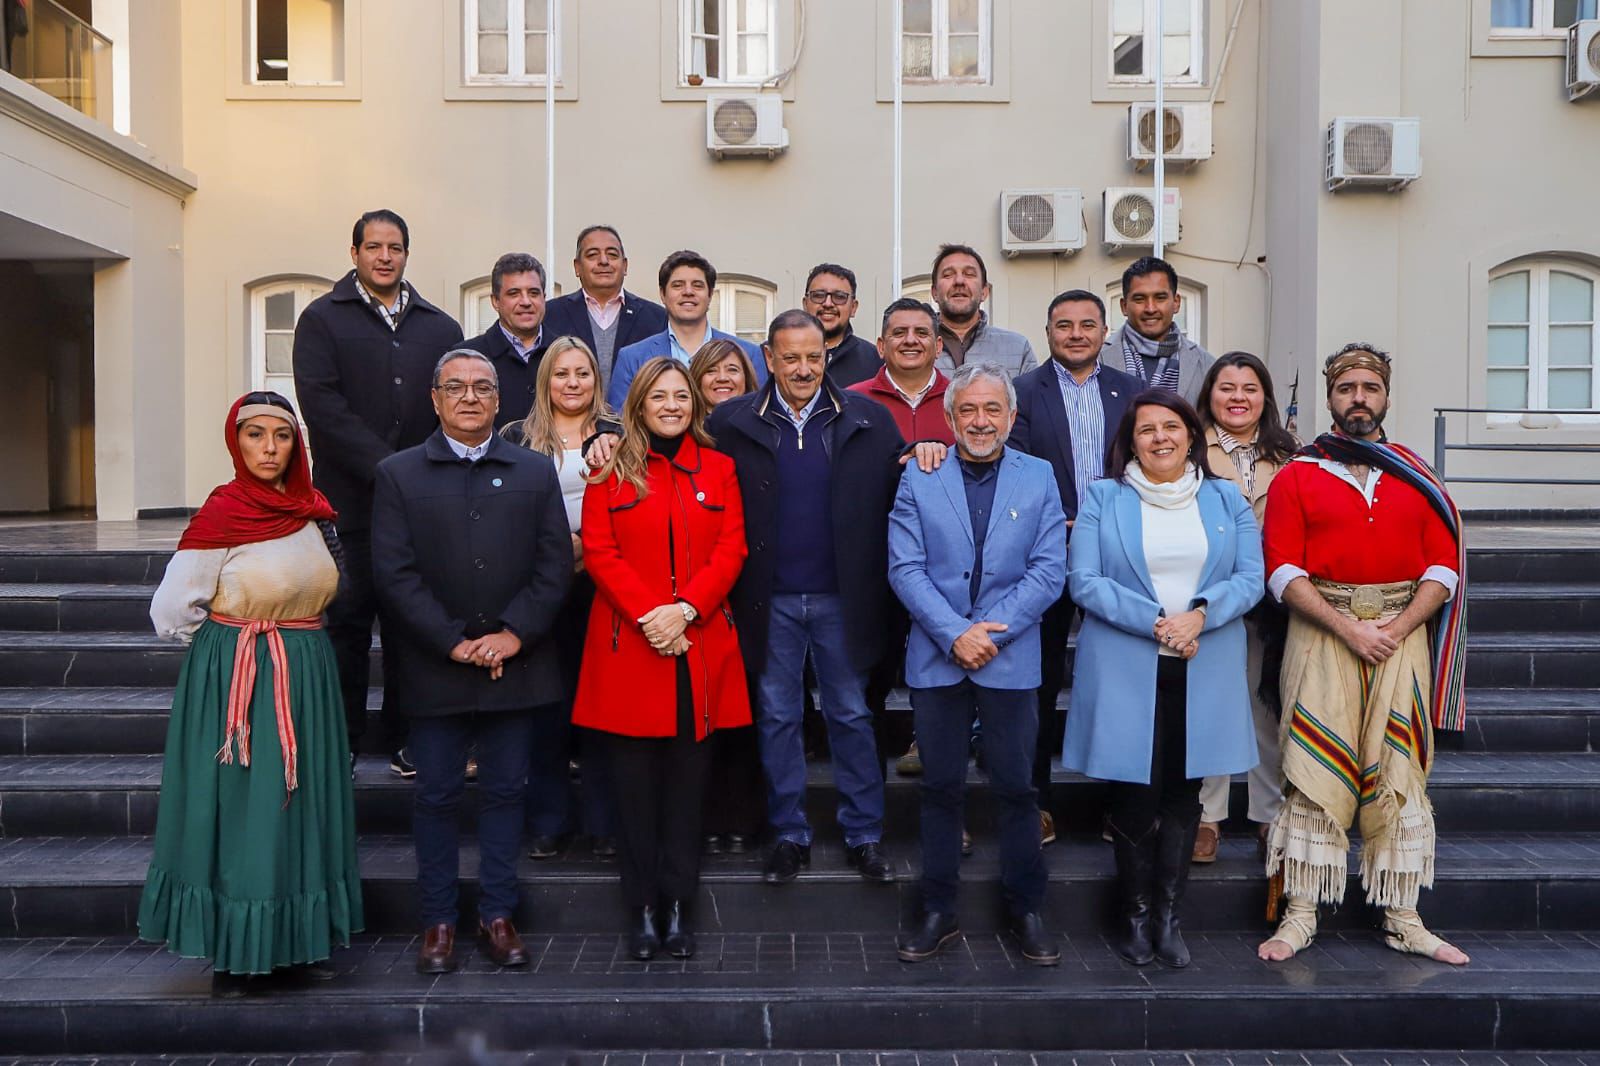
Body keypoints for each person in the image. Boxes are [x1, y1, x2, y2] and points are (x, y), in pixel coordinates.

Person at [141, 392, 363, 996]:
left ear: (297, 444)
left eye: (282, 436)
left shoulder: (314, 511)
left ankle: (288, 942)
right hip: (241, 676)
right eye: (255, 434)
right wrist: (231, 651)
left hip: (306, 672)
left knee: (297, 805)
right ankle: (237, 954)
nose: (269, 448)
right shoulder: (224, 511)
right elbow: (171, 611)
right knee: (244, 809)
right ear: (235, 442)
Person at [1258, 343, 1470, 967]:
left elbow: (1443, 566)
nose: (1358, 398)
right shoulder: (1298, 473)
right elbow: (1282, 571)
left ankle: (1403, 918)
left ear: (1384, 396)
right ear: (1330, 398)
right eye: (1346, 387)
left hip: (1403, 633)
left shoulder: (1413, 473)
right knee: (1310, 766)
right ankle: (1300, 913)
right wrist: (1350, 630)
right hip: (1321, 628)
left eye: (1369, 388)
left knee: (1399, 773)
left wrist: (1397, 627)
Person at [371, 349, 573, 975]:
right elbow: (393, 573)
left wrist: (515, 633)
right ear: (434, 399)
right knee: (434, 796)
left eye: (481, 387)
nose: (468, 397)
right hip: (436, 668)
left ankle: (498, 915)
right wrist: (452, 641)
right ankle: (437, 920)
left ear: (498, 399)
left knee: (507, 792)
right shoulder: (399, 474)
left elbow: (553, 566)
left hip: (518, 665)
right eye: (454, 387)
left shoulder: (534, 471)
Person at [1063, 391, 1263, 969]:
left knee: (1184, 796)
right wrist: (1156, 625)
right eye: (1146, 429)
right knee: (1133, 794)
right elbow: (1085, 580)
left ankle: (1168, 919)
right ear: (1131, 440)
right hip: (1130, 664)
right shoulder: (1105, 496)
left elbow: (1251, 578)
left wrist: (1199, 614)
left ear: (1191, 435)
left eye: (1171, 426)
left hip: (1204, 662)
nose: (1160, 438)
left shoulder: (1226, 499)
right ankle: (1133, 914)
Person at [707, 310, 907, 885]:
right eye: (789, 357)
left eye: (813, 357)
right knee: (776, 716)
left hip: (844, 598)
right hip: (765, 598)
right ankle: (789, 834)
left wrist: (927, 454)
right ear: (768, 359)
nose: (802, 368)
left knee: (850, 712)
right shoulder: (731, 421)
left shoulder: (869, 419)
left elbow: (901, 499)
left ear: (828, 357)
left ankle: (865, 834)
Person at [888, 363, 1067, 965]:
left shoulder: (1040, 476)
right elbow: (904, 568)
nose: (981, 421)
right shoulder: (919, 476)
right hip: (939, 660)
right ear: (950, 416)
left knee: (1017, 789)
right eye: (968, 410)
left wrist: (993, 632)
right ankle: (938, 910)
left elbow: (1049, 570)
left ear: (1011, 418)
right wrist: (953, 633)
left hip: (1010, 659)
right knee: (940, 789)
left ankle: (1025, 908)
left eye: (993, 410)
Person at [573, 357, 751, 960]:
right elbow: (599, 552)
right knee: (634, 793)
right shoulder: (608, 472)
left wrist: (687, 611)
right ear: (639, 404)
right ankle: (642, 907)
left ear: (694, 403)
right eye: (659, 396)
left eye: (681, 395)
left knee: (686, 790)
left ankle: (679, 905)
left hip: (698, 648)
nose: (671, 405)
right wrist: (655, 615)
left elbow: (732, 549)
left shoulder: (720, 468)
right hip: (632, 649)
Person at [293, 208, 464, 778]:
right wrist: (392, 468)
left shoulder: (440, 329)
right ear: (355, 254)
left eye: (394, 247)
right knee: (345, 622)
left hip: (421, 509)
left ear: (406, 255)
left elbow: (454, 409)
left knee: (408, 625)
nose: (384, 256)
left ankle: (403, 737)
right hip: (348, 505)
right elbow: (321, 407)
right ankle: (342, 736)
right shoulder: (321, 320)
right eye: (373, 247)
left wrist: (423, 478)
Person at [1010, 290, 1141, 845]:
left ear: (1104, 331)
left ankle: (1119, 807)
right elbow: (1010, 469)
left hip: (1117, 555)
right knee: (1036, 684)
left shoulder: (1133, 394)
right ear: (1048, 332)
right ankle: (1036, 802)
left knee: (1120, 680)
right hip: (1044, 554)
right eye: (1064, 325)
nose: (1076, 334)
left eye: (1088, 324)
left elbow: (1148, 466)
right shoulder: (1021, 394)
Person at [501, 337, 619, 859]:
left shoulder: (621, 434)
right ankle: (549, 821)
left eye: (583, 373)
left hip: (602, 587)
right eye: (561, 374)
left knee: (602, 706)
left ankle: (603, 822)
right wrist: (557, 553)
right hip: (537, 589)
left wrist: (587, 549)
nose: (573, 383)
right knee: (545, 708)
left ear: (597, 379)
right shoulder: (515, 439)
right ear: (544, 380)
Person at [1191, 351, 1299, 863]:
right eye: (1227, 387)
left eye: (1249, 388)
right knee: (1213, 705)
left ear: (1265, 397)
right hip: (1210, 596)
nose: (1238, 398)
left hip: (1274, 602)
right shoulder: (1188, 447)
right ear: (1210, 394)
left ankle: (1267, 815)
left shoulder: (1290, 452)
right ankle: (1206, 816)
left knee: (1264, 705)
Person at [685, 338, 767, 854]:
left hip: (755, 584)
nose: (721, 378)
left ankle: (746, 815)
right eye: (710, 370)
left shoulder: (761, 430)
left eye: (732, 369)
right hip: (695, 592)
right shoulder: (678, 435)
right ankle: (706, 814)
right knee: (701, 713)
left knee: (749, 708)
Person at [607, 250, 766, 410]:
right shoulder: (631, 358)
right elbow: (621, 422)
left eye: (697, 285)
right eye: (678, 285)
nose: (688, 292)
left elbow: (762, 417)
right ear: (663, 294)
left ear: (710, 294)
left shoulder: (749, 354)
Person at [541, 225, 669, 398]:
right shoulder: (550, 315)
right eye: (592, 255)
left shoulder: (656, 318)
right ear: (577, 267)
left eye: (612, 255)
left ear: (625, 266)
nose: (603, 261)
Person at [1098, 257, 1214, 407]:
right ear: (1124, 306)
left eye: (1160, 298)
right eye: (1139, 299)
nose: (1150, 308)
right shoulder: (1098, 360)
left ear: (1176, 302)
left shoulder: (1205, 365)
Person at [849, 298, 954, 447]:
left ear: (938, 347)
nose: (910, 340)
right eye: (899, 333)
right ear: (881, 346)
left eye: (922, 333)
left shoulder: (959, 400)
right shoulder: (852, 402)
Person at [464, 252, 550, 428]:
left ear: (544, 298)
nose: (526, 302)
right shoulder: (468, 357)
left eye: (533, 293)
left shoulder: (566, 354)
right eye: (514, 293)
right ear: (495, 301)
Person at [928, 244, 1036, 379]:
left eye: (969, 274)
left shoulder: (1018, 348)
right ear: (935, 293)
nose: (959, 281)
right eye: (948, 275)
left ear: (984, 292)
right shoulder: (914, 348)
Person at [802, 263, 883, 388]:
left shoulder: (875, 360)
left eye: (839, 297)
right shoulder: (776, 356)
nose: (828, 303)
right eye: (818, 295)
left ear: (853, 307)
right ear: (805, 304)